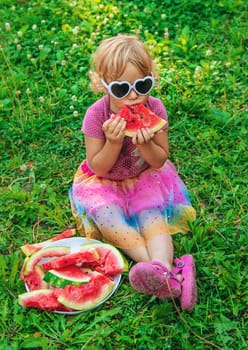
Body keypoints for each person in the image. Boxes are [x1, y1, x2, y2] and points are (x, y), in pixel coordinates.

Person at [69, 34, 197, 310]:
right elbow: (98, 166)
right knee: (109, 221)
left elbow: (160, 160)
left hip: (146, 177)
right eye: (121, 89)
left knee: (151, 215)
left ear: (151, 78)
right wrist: (114, 142)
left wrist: (148, 144)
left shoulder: (156, 108)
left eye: (142, 85)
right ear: (102, 85)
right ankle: (171, 273)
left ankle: (162, 267)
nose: (134, 96)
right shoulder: (95, 116)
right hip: (104, 182)